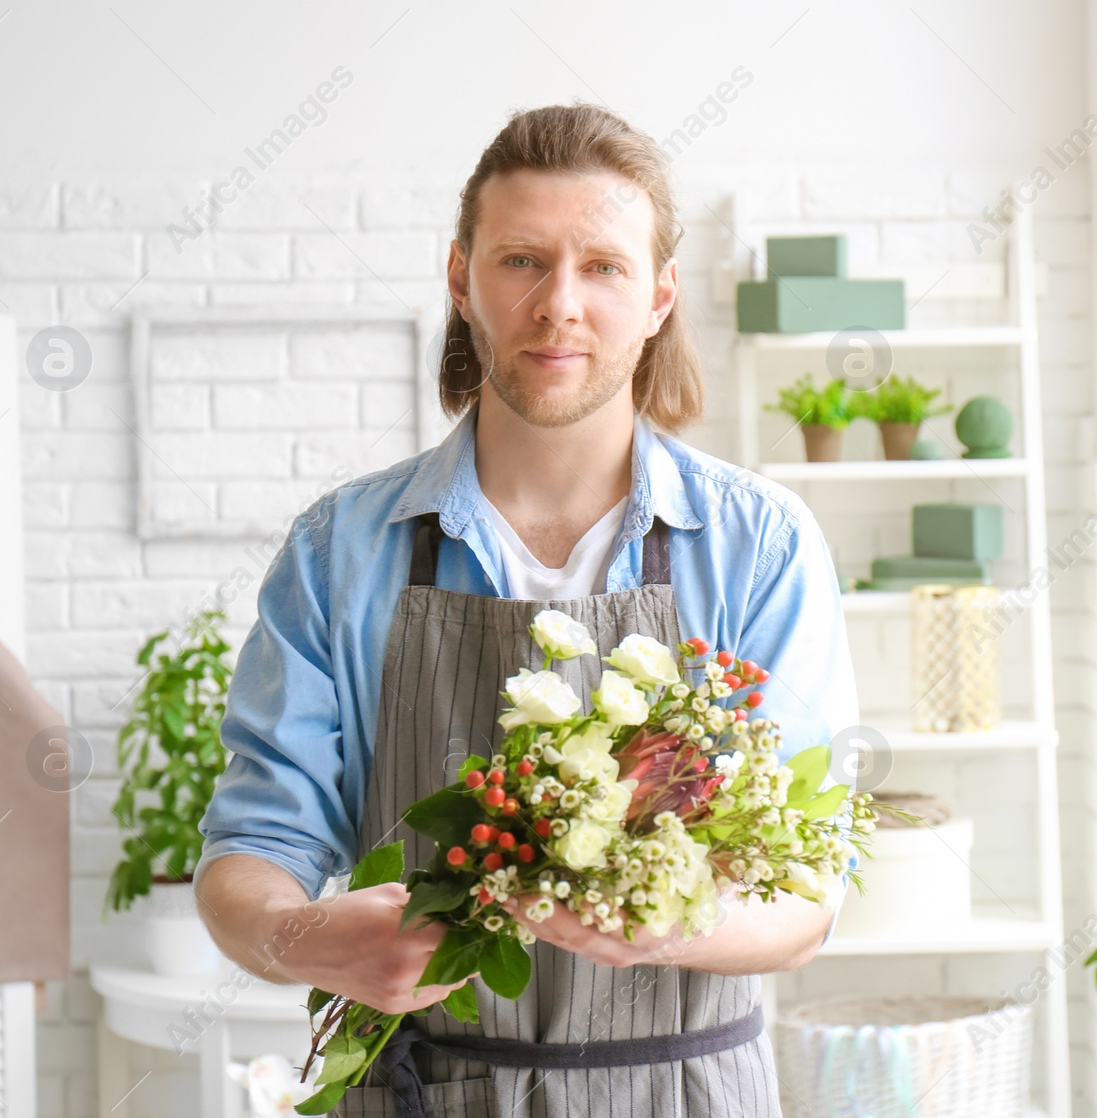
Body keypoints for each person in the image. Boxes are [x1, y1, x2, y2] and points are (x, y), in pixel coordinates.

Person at [194, 102, 860, 1117]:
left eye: (602, 266)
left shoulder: (759, 544)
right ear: (460, 278)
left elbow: (807, 896)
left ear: (658, 298)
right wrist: (313, 938)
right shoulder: (341, 550)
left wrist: (659, 923)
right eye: (521, 261)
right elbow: (252, 849)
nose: (560, 304)